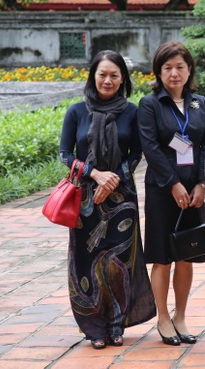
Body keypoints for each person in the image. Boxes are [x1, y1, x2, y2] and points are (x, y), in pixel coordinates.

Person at [59, 50, 156, 350]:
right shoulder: (76, 111)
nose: (108, 80)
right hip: (86, 201)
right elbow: (65, 154)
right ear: (93, 77)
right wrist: (96, 175)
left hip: (122, 199)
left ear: (123, 79)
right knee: (86, 263)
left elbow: (137, 152)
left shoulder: (133, 111)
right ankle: (94, 326)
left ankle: (116, 324)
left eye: (115, 75)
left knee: (118, 263)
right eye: (103, 74)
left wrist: (114, 177)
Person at [137, 42, 205, 346]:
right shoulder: (150, 104)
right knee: (163, 258)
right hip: (162, 191)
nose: (174, 73)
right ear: (158, 72)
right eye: (167, 67)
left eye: (180, 66)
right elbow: (150, 147)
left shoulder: (200, 104)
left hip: (194, 191)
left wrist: (202, 183)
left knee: (187, 255)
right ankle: (163, 318)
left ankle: (181, 316)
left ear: (189, 69)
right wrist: (173, 184)